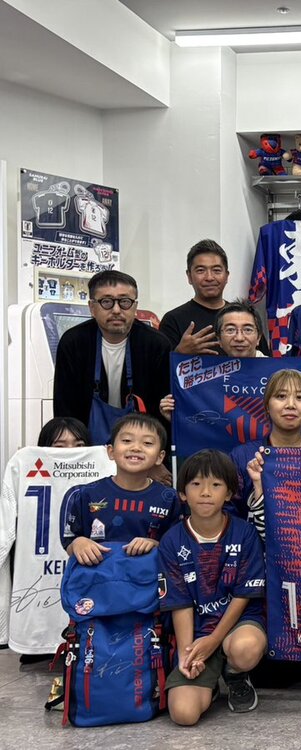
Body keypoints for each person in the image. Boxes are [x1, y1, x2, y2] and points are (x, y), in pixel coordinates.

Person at [159, 449, 267, 724]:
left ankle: (235, 674)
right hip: (196, 631)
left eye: (216, 485)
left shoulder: (244, 533)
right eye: (196, 484)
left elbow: (244, 595)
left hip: (237, 624)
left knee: (246, 649)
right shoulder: (171, 541)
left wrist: (215, 641)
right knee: (184, 715)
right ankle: (207, 679)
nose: (205, 492)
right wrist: (188, 657)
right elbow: (179, 602)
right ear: (182, 493)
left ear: (229, 493)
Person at [53, 270, 172, 438]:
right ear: (92, 308)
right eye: (107, 302)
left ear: (135, 307)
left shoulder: (156, 344)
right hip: (86, 440)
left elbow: (163, 408)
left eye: (125, 302)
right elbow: (64, 408)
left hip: (142, 440)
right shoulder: (73, 342)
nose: (116, 310)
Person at [60, 414, 181, 565]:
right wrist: (78, 543)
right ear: (111, 451)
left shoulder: (169, 498)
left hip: (148, 577)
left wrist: (155, 544)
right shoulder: (86, 494)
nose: (136, 448)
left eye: (147, 443)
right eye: (127, 441)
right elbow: (69, 542)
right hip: (96, 577)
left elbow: (177, 546)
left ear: (160, 457)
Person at [159, 300, 270, 423]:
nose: (239, 338)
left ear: (259, 338)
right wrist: (178, 418)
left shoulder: (277, 374)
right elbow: (203, 424)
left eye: (248, 330)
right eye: (230, 330)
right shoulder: (204, 379)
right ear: (219, 340)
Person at [232, 369, 301, 521]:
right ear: (267, 407)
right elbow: (229, 514)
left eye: (300, 397)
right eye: (281, 396)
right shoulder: (241, 456)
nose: (291, 405)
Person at [158, 239, 231, 355]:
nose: (209, 277)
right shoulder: (172, 320)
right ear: (189, 277)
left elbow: (261, 360)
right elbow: (160, 365)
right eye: (201, 270)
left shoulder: (243, 317)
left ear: (226, 276)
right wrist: (180, 353)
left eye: (216, 270)